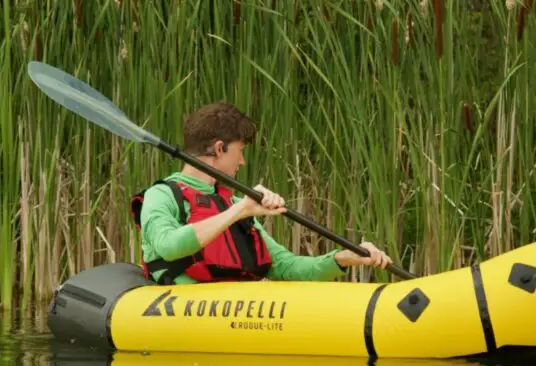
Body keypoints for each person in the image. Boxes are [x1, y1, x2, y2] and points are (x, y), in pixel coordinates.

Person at [131, 101, 392, 284]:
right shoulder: (163, 195)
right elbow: (167, 247)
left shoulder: (232, 204)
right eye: (240, 151)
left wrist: (342, 258)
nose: (242, 162)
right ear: (219, 148)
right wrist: (239, 211)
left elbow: (285, 267)